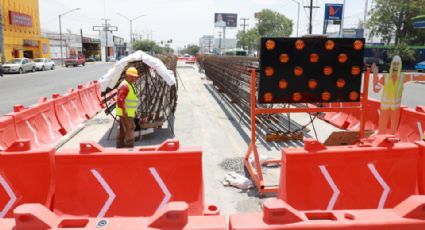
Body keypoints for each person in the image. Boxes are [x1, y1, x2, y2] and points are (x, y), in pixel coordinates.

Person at [372, 55, 425, 134]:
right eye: (394, 63)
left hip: (395, 107)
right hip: (385, 106)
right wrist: (375, 74)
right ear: (391, 64)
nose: (396, 65)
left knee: (393, 125)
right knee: (382, 125)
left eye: (398, 64)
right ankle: (380, 137)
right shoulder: (385, 77)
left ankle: (391, 138)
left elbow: (417, 77)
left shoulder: (403, 77)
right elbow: (376, 90)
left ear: (400, 65)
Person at [116, 67, 140, 148]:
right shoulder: (125, 85)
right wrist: (124, 110)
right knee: (130, 128)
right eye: (132, 76)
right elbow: (120, 100)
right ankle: (130, 145)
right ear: (127, 75)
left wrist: (134, 110)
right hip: (126, 112)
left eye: (135, 77)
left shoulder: (129, 84)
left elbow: (131, 99)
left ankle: (120, 144)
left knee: (123, 128)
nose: (134, 78)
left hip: (128, 112)